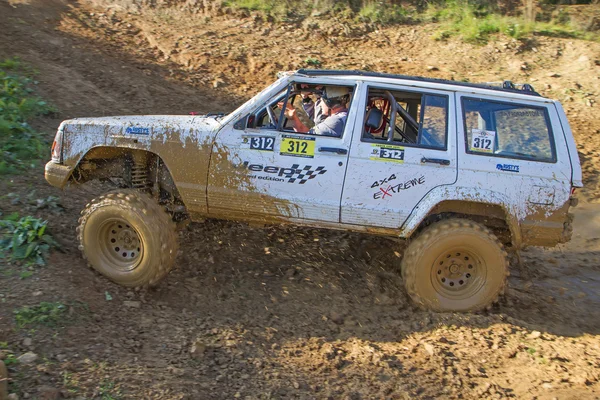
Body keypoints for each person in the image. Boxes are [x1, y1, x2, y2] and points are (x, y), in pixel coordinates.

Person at [284, 86, 350, 137]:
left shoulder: (335, 122)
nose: (320, 105)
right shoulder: (344, 116)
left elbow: (306, 137)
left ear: (329, 103)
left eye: (321, 101)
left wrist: (293, 118)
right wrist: (305, 98)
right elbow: (318, 118)